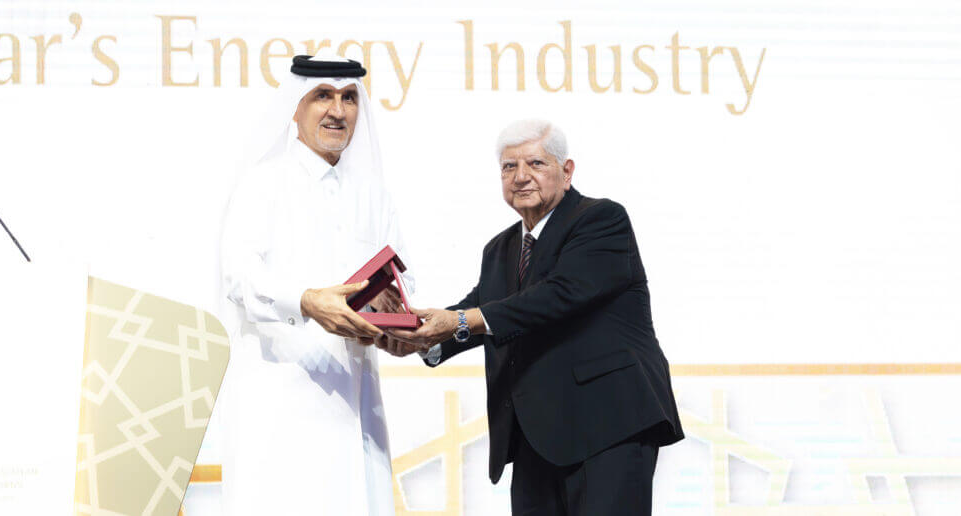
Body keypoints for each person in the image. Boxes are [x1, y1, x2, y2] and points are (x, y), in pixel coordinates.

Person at [385, 119, 684, 515]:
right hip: (535, 439)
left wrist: (460, 321)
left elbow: (557, 295)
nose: (521, 177)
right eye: (509, 167)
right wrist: (417, 335)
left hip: (609, 426)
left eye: (536, 164)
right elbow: (480, 308)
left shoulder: (601, 220)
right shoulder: (500, 248)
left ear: (567, 171)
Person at [217, 51, 410, 516]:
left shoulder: (374, 195)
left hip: (358, 400)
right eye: (323, 95)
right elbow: (238, 275)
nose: (338, 111)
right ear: (295, 107)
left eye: (349, 98)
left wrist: (393, 318)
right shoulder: (263, 183)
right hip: (281, 398)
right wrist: (306, 302)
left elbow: (401, 280)